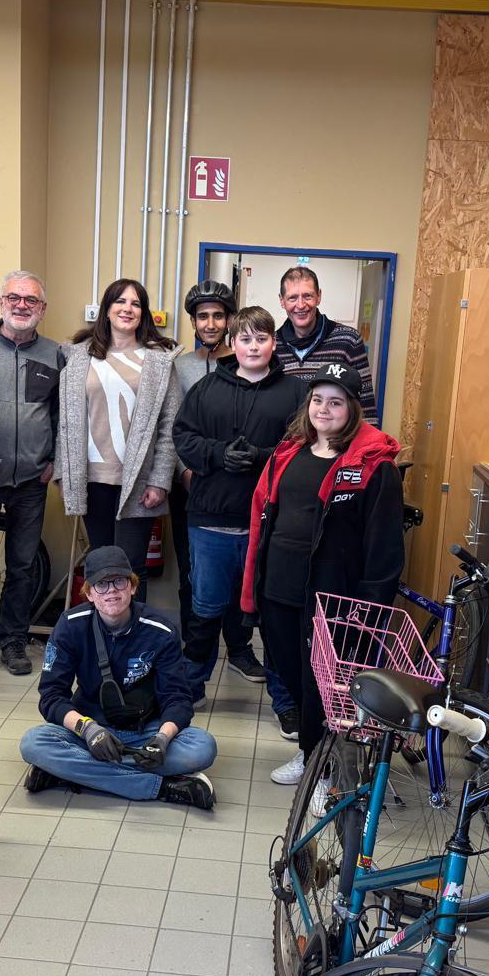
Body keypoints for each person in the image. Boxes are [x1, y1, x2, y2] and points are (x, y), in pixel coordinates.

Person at [241, 363, 405, 784]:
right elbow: (262, 519)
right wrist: (252, 589)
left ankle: (326, 770)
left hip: (333, 596)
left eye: (336, 403)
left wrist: (369, 610)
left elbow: (385, 547)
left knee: (324, 684)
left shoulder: (373, 467)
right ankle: (313, 752)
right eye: (317, 400)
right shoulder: (287, 453)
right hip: (279, 587)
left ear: (352, 409)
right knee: (290, 672)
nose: (324, 410)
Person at [173, 306, 306, 728]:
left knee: (272, 615)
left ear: (273, 342)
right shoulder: (206, 388)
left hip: (270, 524)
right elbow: (182, 436)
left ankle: (286, 700)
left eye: (261, 338)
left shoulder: (295, 393)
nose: (253, 346)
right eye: (245, 339)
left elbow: (306, 445)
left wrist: (264, 458)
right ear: (233, 343)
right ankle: (190, 689)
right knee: (205, 610)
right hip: (210, 520)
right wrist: (217, 454)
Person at [21, 546, 217, 808]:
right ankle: (161, 788)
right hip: (89, 730)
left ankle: (71, 772)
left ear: (132, 587)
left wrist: (162, 739)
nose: (111, 591)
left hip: (145, 732)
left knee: (203, 747)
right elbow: (52, 696)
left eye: (119, 582)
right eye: (101, 585)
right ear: (89, 593)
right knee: (33, 743)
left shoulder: (161, 631)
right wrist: (88, 729)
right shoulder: (69, 625)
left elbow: (178, 699)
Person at [0, 270, 63, 676]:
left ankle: (13, 642)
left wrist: (55, 458)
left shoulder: (55, 354)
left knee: (22, 567)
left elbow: (62, 413)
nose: (22, 305)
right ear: (1, 302)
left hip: (31, 483)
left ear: (43, 308)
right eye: (14, 298)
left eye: (31, 300)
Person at [55, 278, 180, 599]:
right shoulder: (79, 356)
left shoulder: (159, 360)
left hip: (138, 481)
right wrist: (64, 473)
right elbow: (65, 420)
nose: (127, 309)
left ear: (144, 313)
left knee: (131, 568)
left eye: (136, 303)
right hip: (92, 478)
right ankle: (103, 629)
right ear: (107, 310)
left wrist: (160, 481)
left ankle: (133, 631)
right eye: (120, 302)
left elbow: (170, 425)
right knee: (101, 565)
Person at [170, 281, 264, 688]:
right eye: (203, 317)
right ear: (193, 322)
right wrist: (185, 472)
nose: (210, 324)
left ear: (229, 320)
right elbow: (172, 424)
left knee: (241, 575)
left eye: (218, 316)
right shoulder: (180, 367)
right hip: (192, 488)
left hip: (240, 491)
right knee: (193, 576)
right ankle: (193, 654)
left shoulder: (246, 359)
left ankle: (239, 649)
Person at [273, 266, 379, 424]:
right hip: (285, 438)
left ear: (319, 296)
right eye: (292, 298)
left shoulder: (348, 340)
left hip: (336, 439)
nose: (300, 305)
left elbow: (365, 405)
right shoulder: (272, 346)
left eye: (307, 296)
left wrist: (370, 439)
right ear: (282, 301)